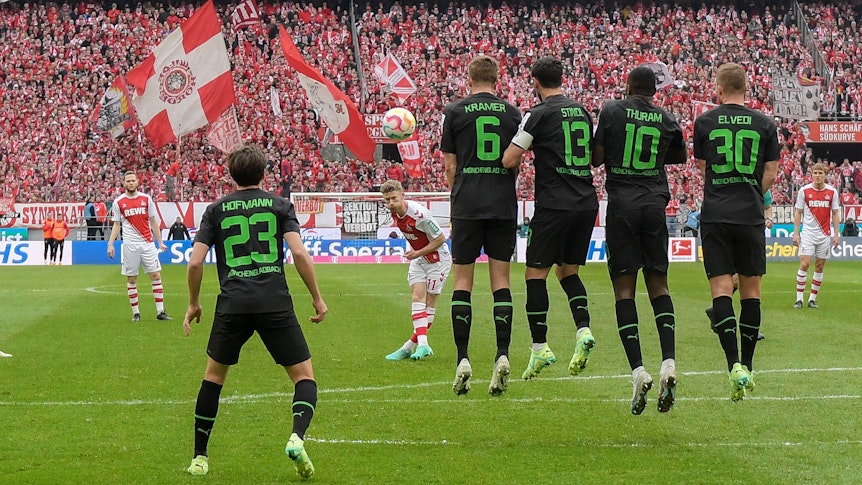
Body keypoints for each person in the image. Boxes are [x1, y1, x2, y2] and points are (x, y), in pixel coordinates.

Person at [182, 145, 327, 479]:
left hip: (233, 304)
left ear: (231, 175)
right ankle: (296, 436)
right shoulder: (280, 205)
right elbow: (300, 254)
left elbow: (194, 261)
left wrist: (194, 302)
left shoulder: (216, 209)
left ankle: (200, 458)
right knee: (304, 378)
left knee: (213, 379)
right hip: (274, 301)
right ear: (265, 173)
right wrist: (317, 298)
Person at [590, 65, 687, 414]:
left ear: (628, 86)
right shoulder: (666, 117)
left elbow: (597, 159)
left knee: (624, 290)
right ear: (654, 90)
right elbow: (680, 155)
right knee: (659, 286)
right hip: (654, 203)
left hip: (623, 205)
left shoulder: (613, 109)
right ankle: (669, 362)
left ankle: (638, 371)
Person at [502, 56, 599, 383]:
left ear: (535, 82)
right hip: (586, 201)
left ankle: (540, 346)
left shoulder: (538, 113)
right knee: (567, 271)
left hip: (555, 202)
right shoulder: (582, 110)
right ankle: (583, 329)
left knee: (535, 275)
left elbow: (509, 158)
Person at [694, 62, 779, 402]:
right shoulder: (765, 123)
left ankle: (733, 367)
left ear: (719, 87)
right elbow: (771, 172)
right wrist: (749, 192)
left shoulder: (704, 122)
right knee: (752, 290)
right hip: (749, 214)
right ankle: (750, 365)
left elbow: (703, 167)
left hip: (716, 213)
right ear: (746, 87)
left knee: (720, 289)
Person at [441, 55, 521, 396]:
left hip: (467, 203)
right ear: (497, 79)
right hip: (501, 202)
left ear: (469, 78)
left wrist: (456, 197)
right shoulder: (513, 113)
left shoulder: (455, 112)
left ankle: (462, 358)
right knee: (501, 280)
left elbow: (450, 165)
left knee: (462, 281)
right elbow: (514, 162)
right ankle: (502, 354)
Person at [381, 179, 451, 361]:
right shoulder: (394, 213)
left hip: (438, 260)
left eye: (394, 199)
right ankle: (422, 345)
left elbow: (441, 238)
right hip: (419, 258)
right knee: (417, 298)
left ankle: (410, 347)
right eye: (387, 200)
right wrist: (418, 253)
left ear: (402, 196)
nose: (391, 203)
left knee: (429, 305)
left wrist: (417, 252)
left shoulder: (420, 214)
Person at [107, 171, 172, 322]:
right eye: (128, 181)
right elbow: (116, 225)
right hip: (129, 245)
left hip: (147, 243)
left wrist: (160, 241)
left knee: (156, 275)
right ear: (123, 183)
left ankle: (160, 311)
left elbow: (153, 221)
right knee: (132, 278)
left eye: (133, 180)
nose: (130, 183)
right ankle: (136, 313)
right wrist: (110, 244)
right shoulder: (119, 202)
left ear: (137, 182)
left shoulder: (146, 199)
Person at [792, 162, 841, 309]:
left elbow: (835, 213)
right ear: (811, 175)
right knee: (805, 263)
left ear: (825, 175)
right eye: (816, 173)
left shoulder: (832, 192)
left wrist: (836, 234)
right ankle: (799, 299)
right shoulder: (804, 191)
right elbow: (798, 212)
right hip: (807, 234)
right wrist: (796, 233)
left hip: (824, 235)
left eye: (821, 173)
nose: (818, 176)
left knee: (819, 266)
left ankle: (812, 299)